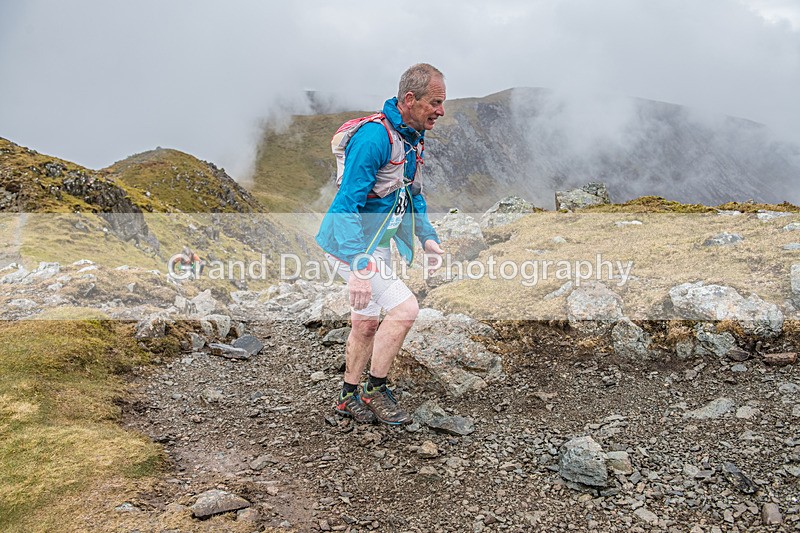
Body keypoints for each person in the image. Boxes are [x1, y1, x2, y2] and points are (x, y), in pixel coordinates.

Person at [316, 63, 446, 425]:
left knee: (366, 323)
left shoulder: (412, 137)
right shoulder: (375, 138)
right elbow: (346, 205)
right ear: (410, 99)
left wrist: (428, 238)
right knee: (405, 310)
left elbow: (412, 194)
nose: (441, 111)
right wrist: (358, 267)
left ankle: (347, 397)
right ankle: (374, 389)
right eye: (435, 102)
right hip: (351, 242)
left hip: (376, 241)